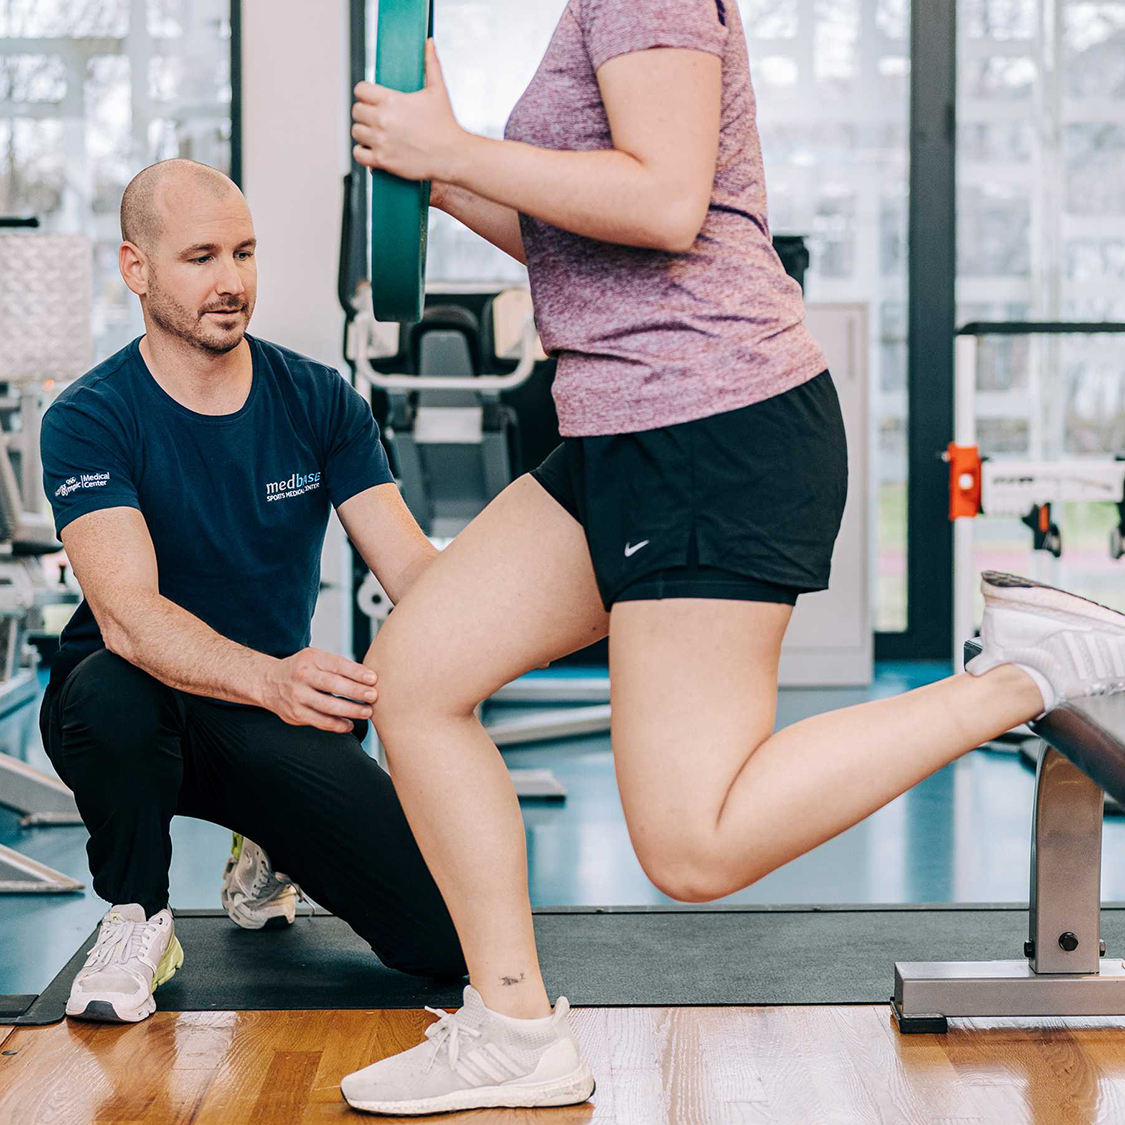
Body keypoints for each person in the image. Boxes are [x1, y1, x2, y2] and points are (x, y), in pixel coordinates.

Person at [340, 0, 1125, 1115]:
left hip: (708, 424)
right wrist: (434, 174)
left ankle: (1024, 673)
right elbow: (575, 241)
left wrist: (459, 149)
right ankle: (513, 1030)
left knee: (693, 846)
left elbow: (664, 203)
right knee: (415, 677)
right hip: (621, 426)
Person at [40, 158, 466, 1024]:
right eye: (201, 257)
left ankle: (266, 846)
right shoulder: (90, 415)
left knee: (443, 946)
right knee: (108, 695)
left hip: (268, 718)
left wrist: (536, 598)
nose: (231, 282)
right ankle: (136, 918)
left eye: (244, 252)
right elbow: (128, 617)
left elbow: (413, 569)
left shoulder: (317, 400)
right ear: (137, 269)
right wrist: (273, 679)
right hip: (136, 708)